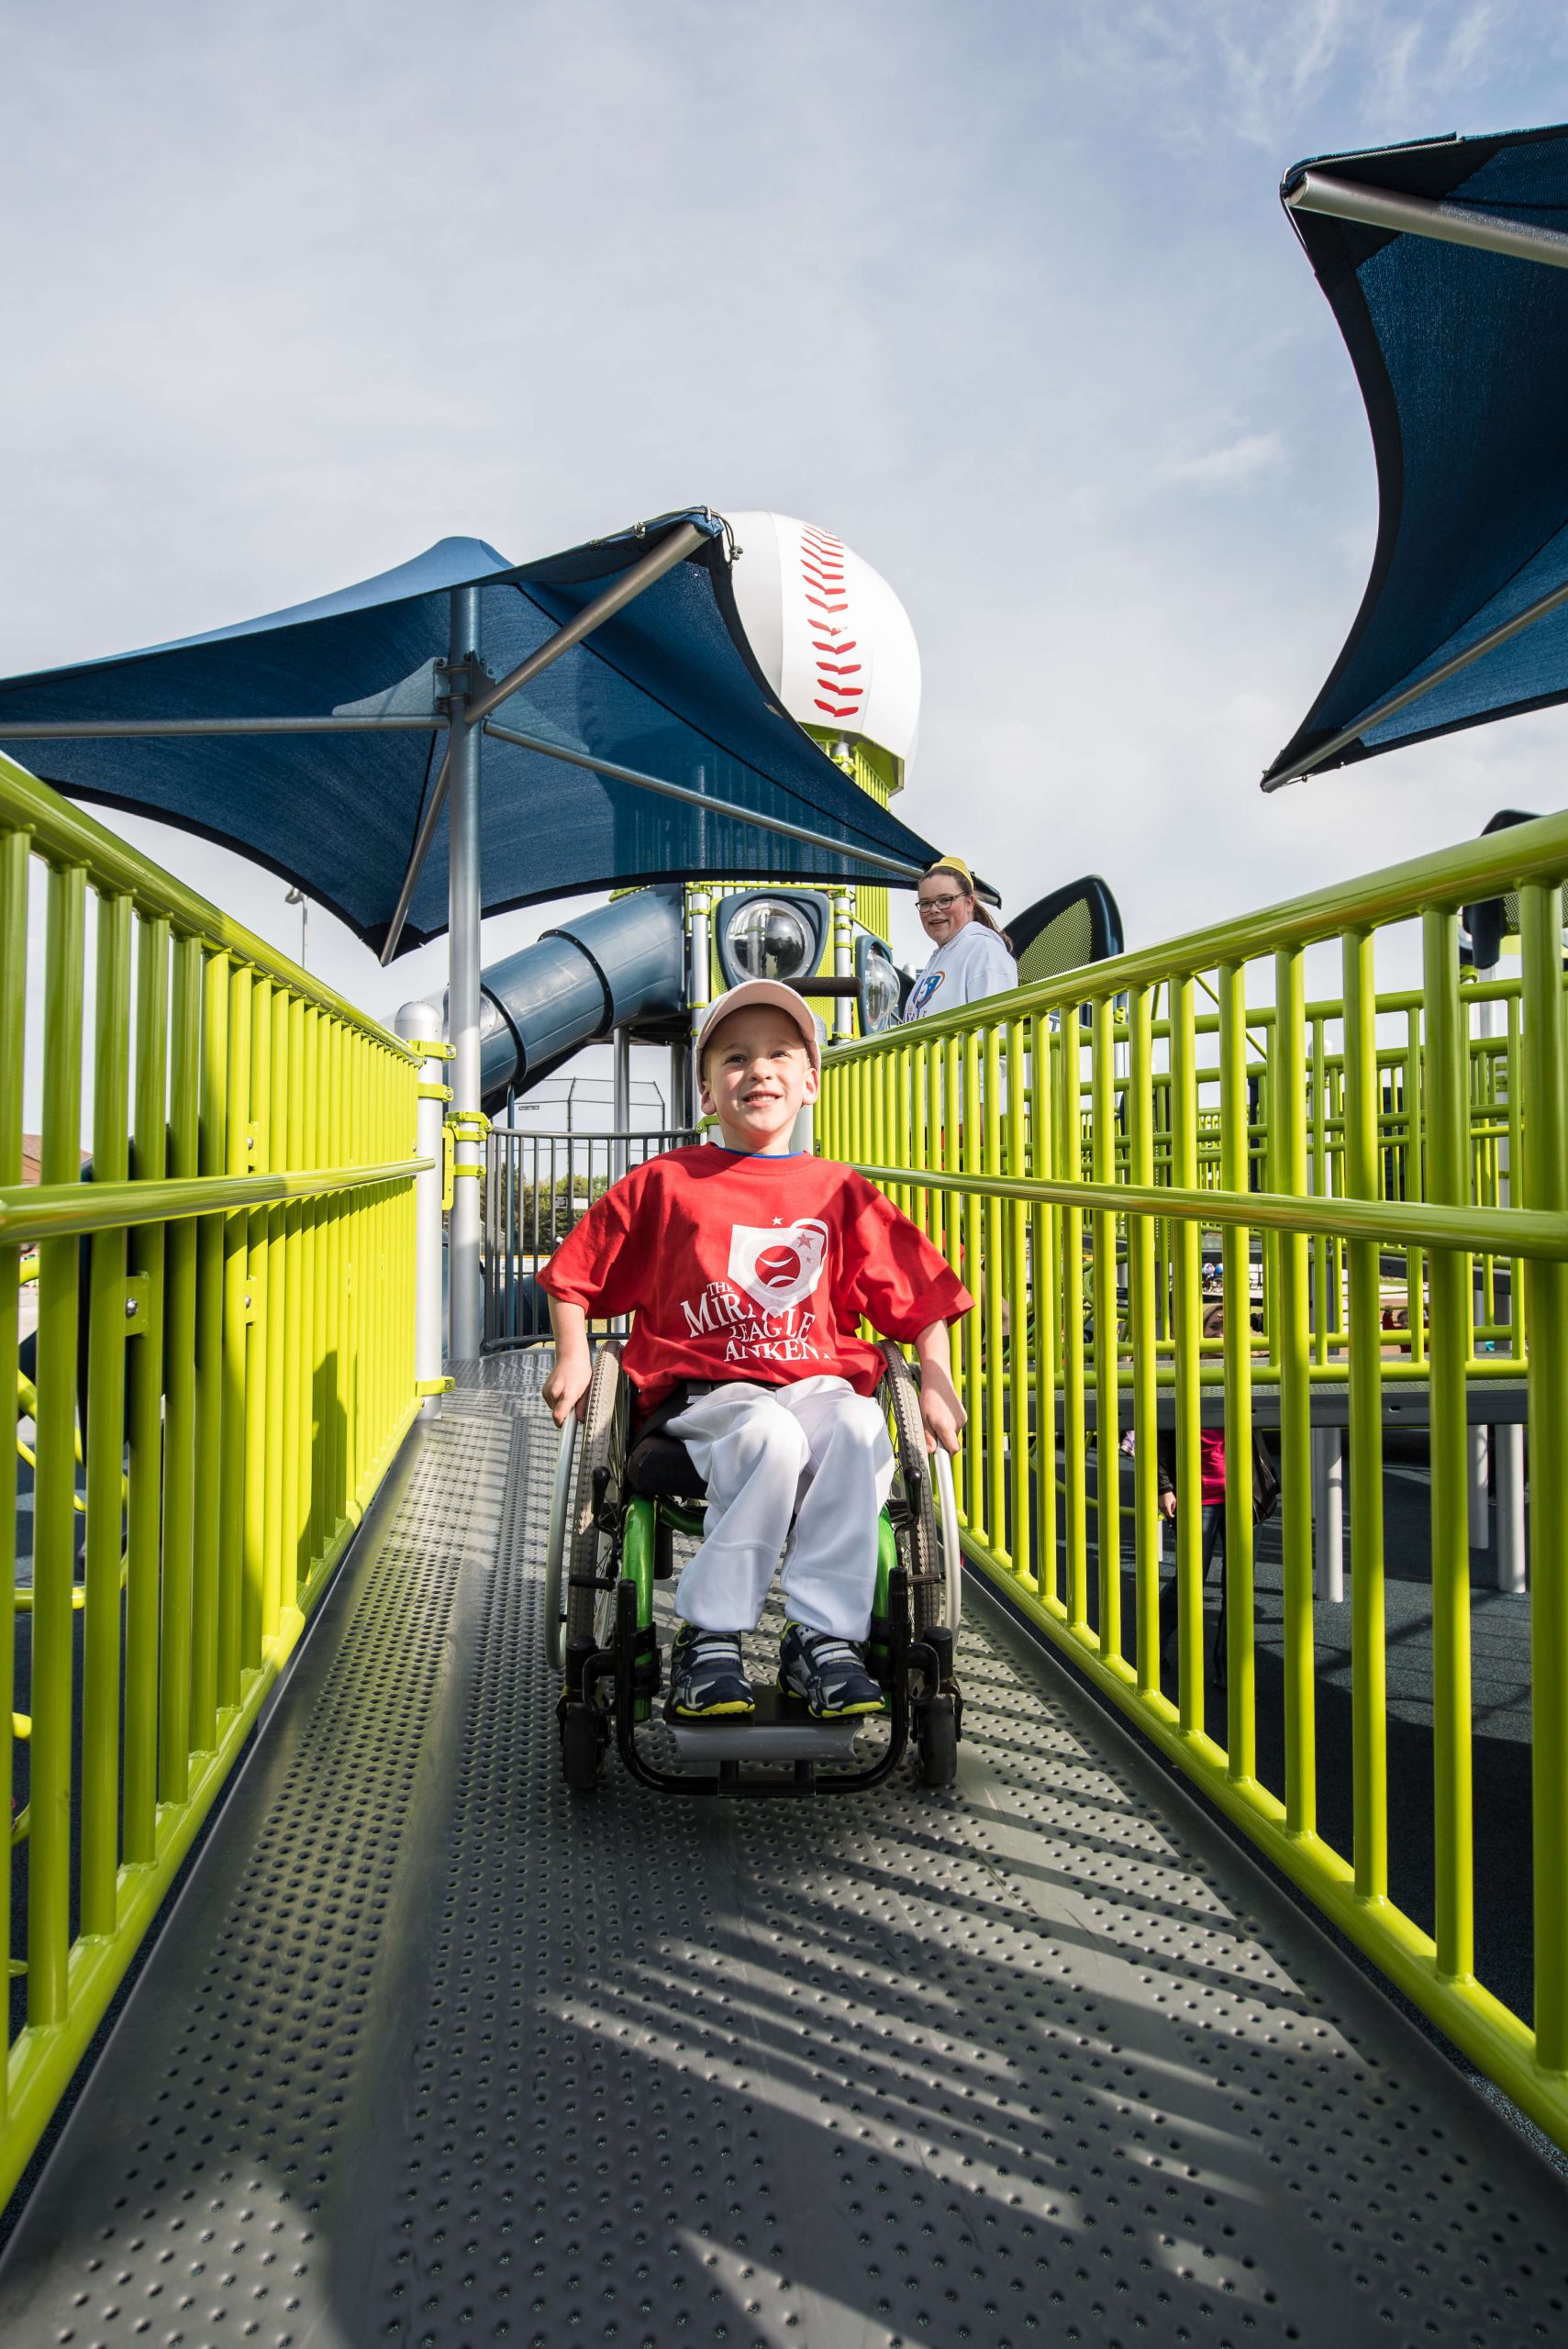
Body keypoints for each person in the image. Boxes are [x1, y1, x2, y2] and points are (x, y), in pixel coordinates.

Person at [539, 977, 973, 1721]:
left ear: (810, 1083)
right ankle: (711, 1636)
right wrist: (572, 1354)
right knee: (768, 1432)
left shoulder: (841, 1191)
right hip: (705, 1396)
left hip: (815, 1382)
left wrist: (934, 1378)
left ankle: (822, 1640)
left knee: (859, 1425)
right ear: (706, 1091)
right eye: (735, 1059)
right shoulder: (666, 1183)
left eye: (779, 1055)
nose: (759, 1071)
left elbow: (922, 1295)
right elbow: (575, 1276)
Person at [1156, 1424, 1279, 1681]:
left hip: (1244, 1496)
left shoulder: (1245, 1389)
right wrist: (1164, 1487)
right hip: (1197, 1496)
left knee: (1238, 1587)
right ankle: (1153, 1647)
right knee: (1189, 1582)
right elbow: (1161, 1434)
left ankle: (1229, 1671)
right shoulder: (1181, 1390)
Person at [903, 854, 1018, 1021]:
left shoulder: (984, 952)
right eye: (926, 903)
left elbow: (995, 1034)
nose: (934, 910)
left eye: (945, 900)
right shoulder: (938, 960)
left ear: (969, 902)